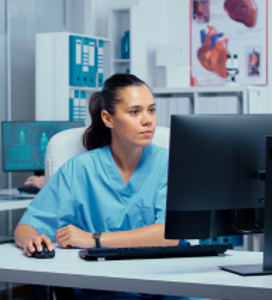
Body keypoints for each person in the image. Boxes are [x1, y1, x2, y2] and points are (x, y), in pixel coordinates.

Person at [14, 74, 201, 300]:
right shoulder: (79, 170)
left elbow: (168, 234)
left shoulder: (168, 164)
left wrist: (94, 240)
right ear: (107, 118)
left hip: (165, 285)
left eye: (151, 110)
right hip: (104, 289)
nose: (147, 120)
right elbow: (28, 226)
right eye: (135, 111)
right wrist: (30, 240)